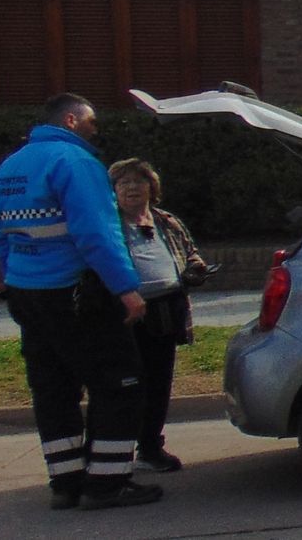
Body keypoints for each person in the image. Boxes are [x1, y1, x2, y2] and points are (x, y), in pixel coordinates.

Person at [0, 94, 162, 510]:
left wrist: (10, 281)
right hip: (75, 293)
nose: (94, 129)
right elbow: (97, 233)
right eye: (90, 121)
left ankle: (65, 481)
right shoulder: (75, 163)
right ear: (71, 120)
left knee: (52, 387)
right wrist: (126, 288)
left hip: (28, 293)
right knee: (120, 382)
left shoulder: (10, 167)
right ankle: (107, 482)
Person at [109, 158, 209, 473]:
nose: (131, 188)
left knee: (159, 383)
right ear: (113, 191)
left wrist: (196, 269)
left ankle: (151, 448)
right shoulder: (108, 225)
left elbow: (191, 254)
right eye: (123, 183)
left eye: (138, 182)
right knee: (127, 384)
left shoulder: (167, 221)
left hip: (166, 309)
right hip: (125, 314)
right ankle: (114, 455)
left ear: (152, 188)